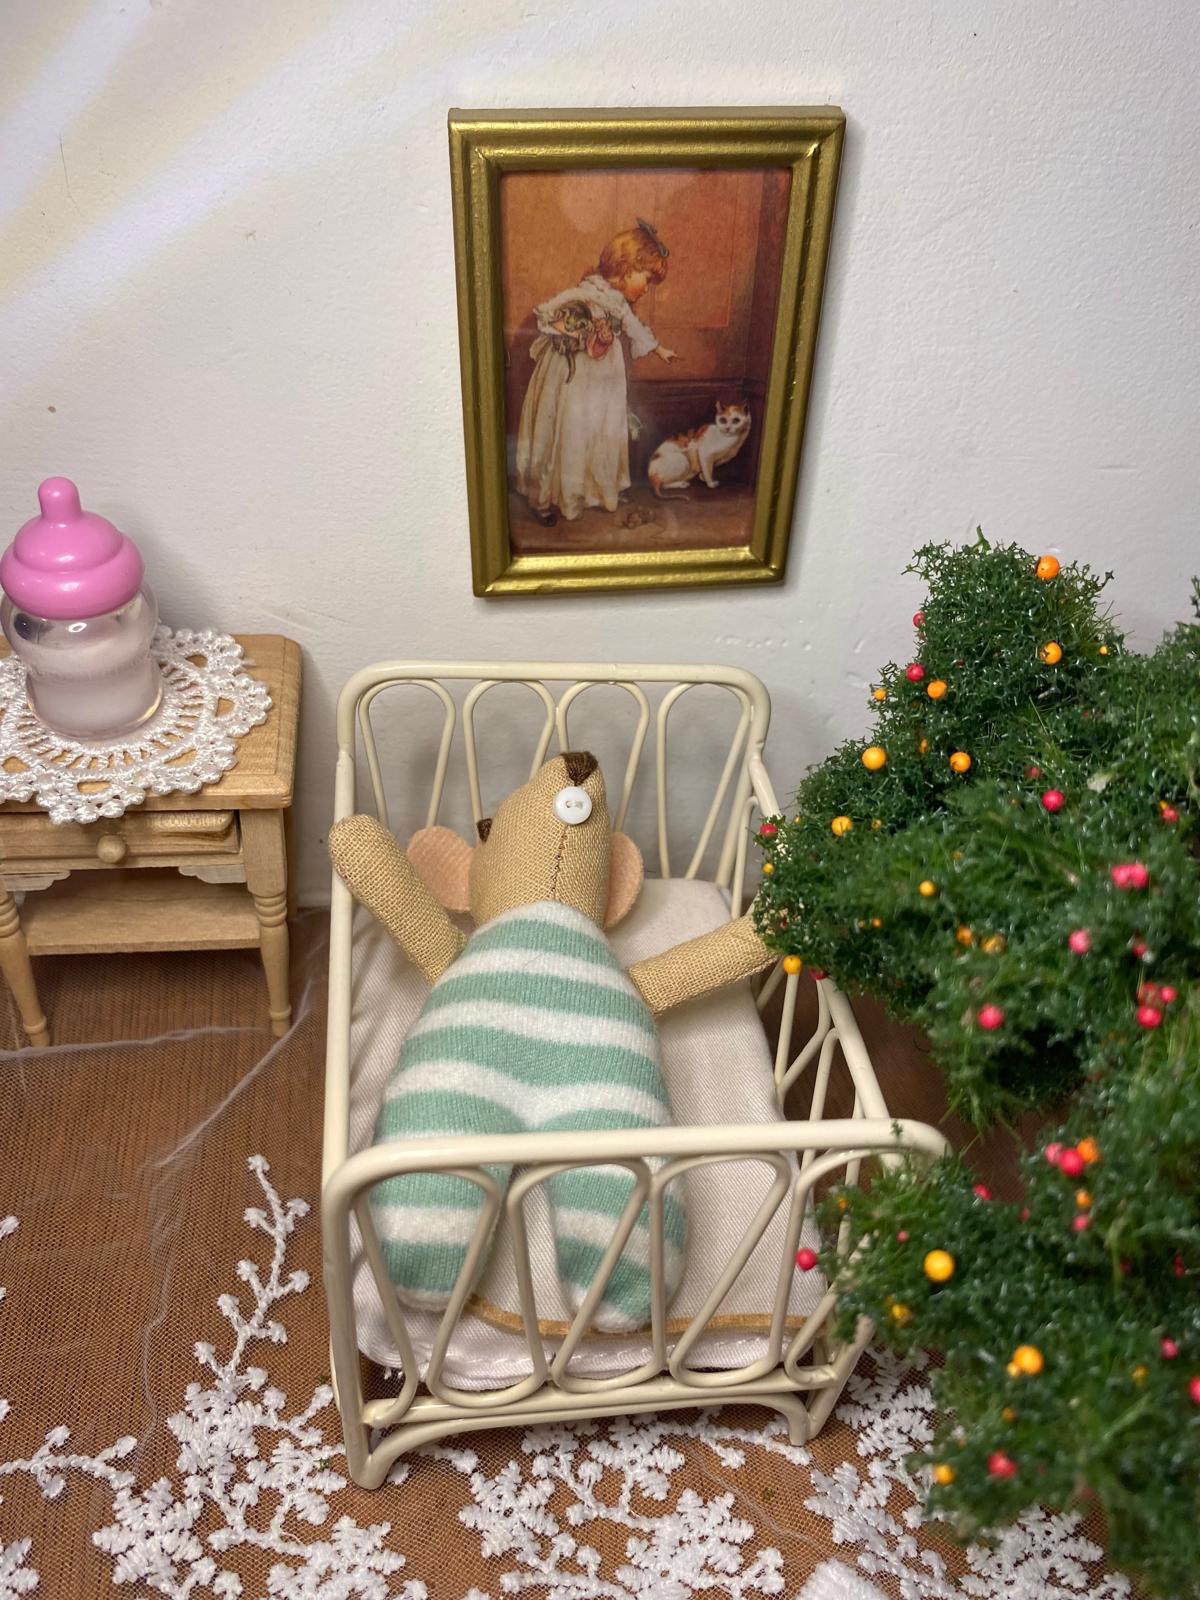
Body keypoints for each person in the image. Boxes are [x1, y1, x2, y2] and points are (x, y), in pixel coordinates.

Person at [515, 220, 678, 526]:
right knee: (571, 427)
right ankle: (552, 496)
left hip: (604, 375)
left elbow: (634, 328)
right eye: (646, 279)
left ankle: (594, 490)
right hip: (573, 373)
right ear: (627, 269)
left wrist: (659, 349)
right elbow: (546, 314)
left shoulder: (619, 304)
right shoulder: (586, 292)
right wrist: (574, 332)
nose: (646, 289)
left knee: (599, 427)